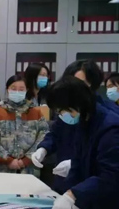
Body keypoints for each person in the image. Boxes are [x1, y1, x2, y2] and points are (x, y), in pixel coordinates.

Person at [44, 76, 119, 209]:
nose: (61, 115)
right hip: (90, 204)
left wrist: (73, 195)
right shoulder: (83, 121)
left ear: (76, 103)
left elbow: (111, 175)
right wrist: (64, 193)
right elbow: (77, 162)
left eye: (61, 110)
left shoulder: (110, 128)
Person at [31, 60, 119, 189]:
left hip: (93, 184)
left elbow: (109, 168)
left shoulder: (107, 118)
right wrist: (43, 149)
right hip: (64, 177)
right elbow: (56, 132)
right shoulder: (67, 109)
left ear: (92, 83)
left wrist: (78, 164)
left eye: (79, 83)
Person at [0, 75, 49, 174]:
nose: (17, 92)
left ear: (26, 90)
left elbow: (43, 137)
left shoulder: (36, 113)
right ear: (7, 90)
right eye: (13, 89)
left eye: (21, 89)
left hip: (28, 170)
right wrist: (8, 160)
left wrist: (26, 159)